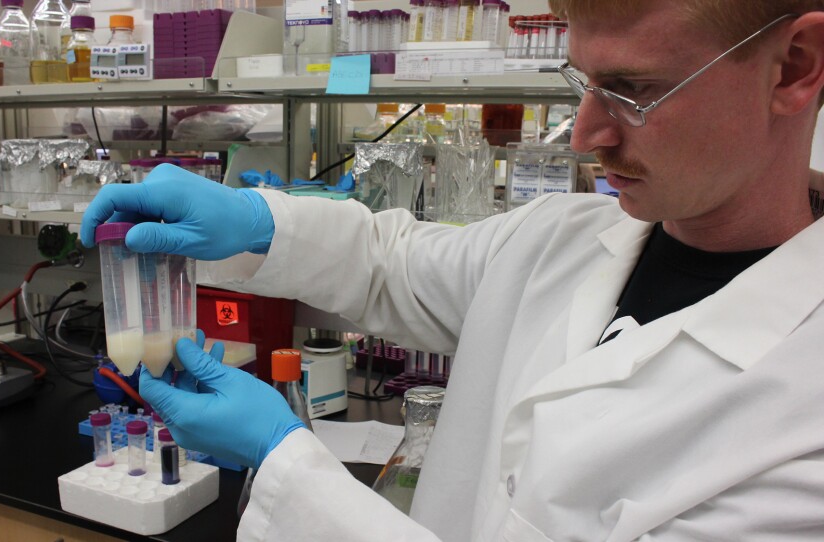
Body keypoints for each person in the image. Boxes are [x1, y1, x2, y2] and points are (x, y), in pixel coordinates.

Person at [80, 0, 824, 539]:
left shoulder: (803, 423)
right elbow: (390, 264)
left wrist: (289, 467)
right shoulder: (558, 239)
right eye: (583, 83)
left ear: (793, 67)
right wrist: (253, 221)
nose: (585, 135)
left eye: (635, 92)